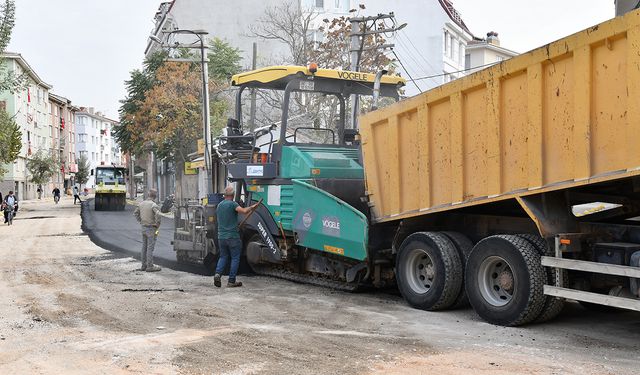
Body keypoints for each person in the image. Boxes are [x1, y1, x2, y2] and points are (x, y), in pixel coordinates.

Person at [214, 185, 259, 288]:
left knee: (223, 256)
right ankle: (231, 281)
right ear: (233, 195)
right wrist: (253, 207)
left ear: (225, 195)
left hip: (221, 236)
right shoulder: (232, 204)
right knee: (235, 258)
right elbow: (244, 211)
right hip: (232, 236)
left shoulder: (219, 205)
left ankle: (217, 274)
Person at [133, 189, 162, 272]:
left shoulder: (141, 204)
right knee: (150, 248)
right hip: (151, 228)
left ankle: (143, 265)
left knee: (144, 247)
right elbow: (158, 215)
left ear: (148, 195)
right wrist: (157, 224)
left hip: (143, 228)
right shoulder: (154, 205)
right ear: (155, 196)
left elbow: (135, 213)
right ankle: (150, 266)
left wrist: (140, 221)